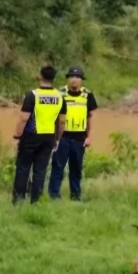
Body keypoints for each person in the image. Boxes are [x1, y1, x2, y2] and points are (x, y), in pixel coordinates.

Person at [13, 66, 67, 204]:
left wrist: (16, 137)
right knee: (40, 170)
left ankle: (18, 201)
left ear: (40, 77)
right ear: (54, 79)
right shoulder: (60, 97)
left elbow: (23, 119)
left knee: (23, 168)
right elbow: (62, 123)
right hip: (49, 137)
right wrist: (57, 140)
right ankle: (35, 201)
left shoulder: (32, 95)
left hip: (31, 135)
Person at [48, 67, 98, 201]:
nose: (74, 80)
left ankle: (75, 196)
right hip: (62, 137)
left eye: (77, 77)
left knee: (76, 169)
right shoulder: (59, 93)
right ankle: (54, 196)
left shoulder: (88, 95)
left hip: (79, 138)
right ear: (67, 79)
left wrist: (90, 137)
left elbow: (91, 117)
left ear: (81, 80)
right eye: (71, 77)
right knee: (58, 167)